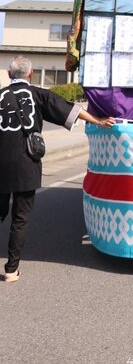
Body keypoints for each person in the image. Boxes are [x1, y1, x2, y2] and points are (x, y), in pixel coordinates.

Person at [0, 56, 115, 282]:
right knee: (19, 219)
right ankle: (11, 270)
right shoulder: (39, 94)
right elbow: (70, 110)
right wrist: (98, 121)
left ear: (10, 75)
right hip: (26, 164)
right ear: (30, 74)